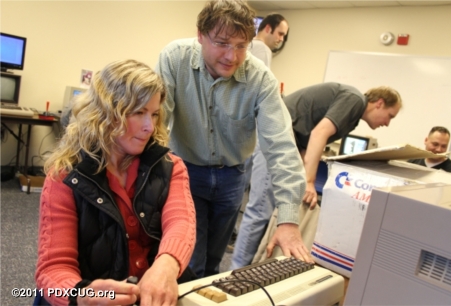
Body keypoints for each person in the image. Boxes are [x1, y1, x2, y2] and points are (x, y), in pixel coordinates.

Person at [155, 0, 312, 278]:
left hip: (232, 177)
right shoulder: (174, 58)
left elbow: (282, 146)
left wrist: (288, 220)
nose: (232, 56)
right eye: (223, 43)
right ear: (200, 35)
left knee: (215, 263)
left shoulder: (260, 79)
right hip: (185, 172)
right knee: (191, 262)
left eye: (241, 46)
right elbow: (157, 122)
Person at [35, 59, 196, 305]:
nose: (149, 127)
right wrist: (80, 295)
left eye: (154, 114)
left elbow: (181, 224)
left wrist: (166, 265)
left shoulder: (171, 167)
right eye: (138, 113)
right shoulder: (64, 177)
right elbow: (53, 269)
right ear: (106, 114)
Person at [231, 82, 402, 268]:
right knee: (260, 210)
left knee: (268, 209)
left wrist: (301, 180)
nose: (387, 123)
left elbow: (306, 141)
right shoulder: (354, 101)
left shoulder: (353, 115)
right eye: (389, 116)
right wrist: (309, 181)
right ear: (379, 103)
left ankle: (248, 266)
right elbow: (319, 133)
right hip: (273, 137)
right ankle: (235, 272)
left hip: (286, 143)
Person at [227, 13, 289, 253]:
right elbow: (262, 95)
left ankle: (230, 236)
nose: (281, 40)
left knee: (237, 190)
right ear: (268, 28)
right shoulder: (262, 49)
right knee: (253, 201)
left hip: (236, 134)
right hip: (252, 134)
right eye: (280, 34)